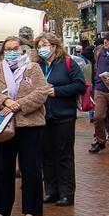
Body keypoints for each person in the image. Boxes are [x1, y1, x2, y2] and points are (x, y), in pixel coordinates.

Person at [0, 36, 51, 216]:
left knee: (30, 168)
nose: (11, 52)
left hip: (30, 125)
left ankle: (31, 210)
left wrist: (18, 105)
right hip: (5, 126)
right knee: (3, 168)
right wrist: (6, 102)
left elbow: (41, 92)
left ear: (22, 50)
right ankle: (2, 210)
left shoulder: (33, 68)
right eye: (8, 49)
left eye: (15, 48)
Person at [37, 33, 86, 206]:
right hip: (43, 116)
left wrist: (57, 91)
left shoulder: (67, 63)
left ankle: (67, 192)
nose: (42, 48)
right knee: (47, 154)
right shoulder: (37, 66)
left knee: (63, 154)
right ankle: (51, 190)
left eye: (45, 44)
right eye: (39, 45)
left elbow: (80, 85)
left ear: (54, 46)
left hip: (63, 116)